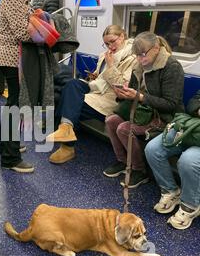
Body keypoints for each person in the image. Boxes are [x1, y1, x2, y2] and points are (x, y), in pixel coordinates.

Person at [103, 31, 185, 189]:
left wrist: (140, 97)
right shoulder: (139, 65)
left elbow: (171, 104)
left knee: (124, 129)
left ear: (156, 48)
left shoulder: (171, 66)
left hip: (165, 117)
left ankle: (140, 171)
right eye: (137, 56)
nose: (140, 60)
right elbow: (134, 91)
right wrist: (124, 94)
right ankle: (123, 161)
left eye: (142, 54)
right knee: (111, 120)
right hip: (144, 111)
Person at [46, 25, 136, 164]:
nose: (110, 46)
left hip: (111, 99)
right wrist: (95, 75)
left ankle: (67, 146)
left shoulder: (132, 59)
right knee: (72, 84)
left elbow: (123, 88)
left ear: (123, 36)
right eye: (106, 43)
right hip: (96, 91)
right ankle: (65, 128)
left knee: (70, 102)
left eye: (113, 41)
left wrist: (111, 67)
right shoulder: (105, 56)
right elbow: (101, 77)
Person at [0, 0, 38, 173]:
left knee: (12, 102)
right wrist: (43, 35)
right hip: (11, 57)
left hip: (12, 57)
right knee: (15, 104)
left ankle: (5, 145)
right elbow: (22, 32)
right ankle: (10, 158)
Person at [144, 90, 200, 230]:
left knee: (188, 160)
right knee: (153, 149)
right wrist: (198, 109)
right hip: (193, 128)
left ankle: (190, 205)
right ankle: (171, 191)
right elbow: (194, 100)